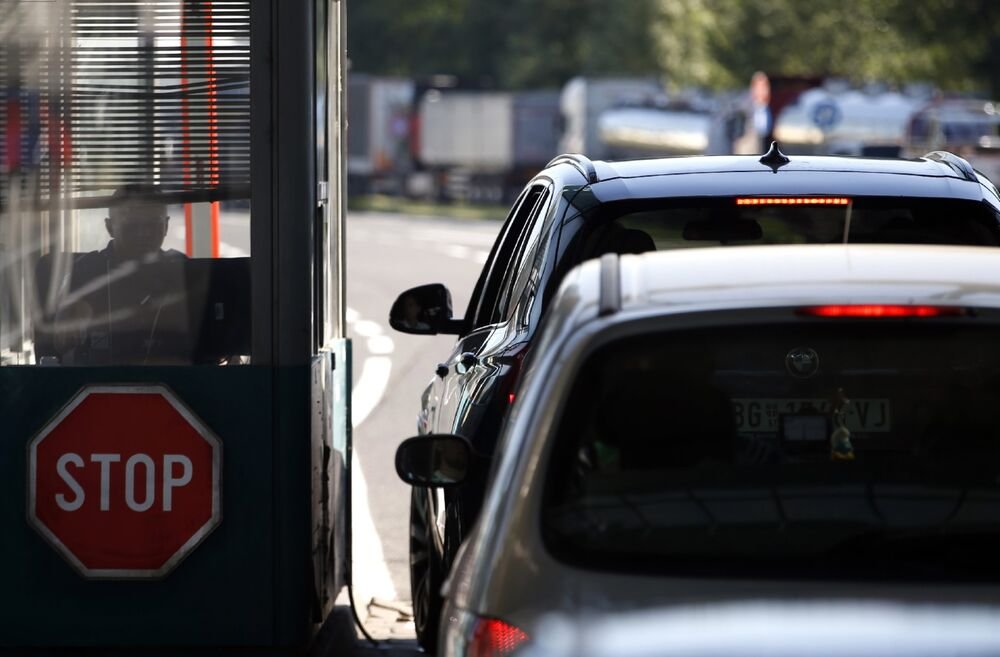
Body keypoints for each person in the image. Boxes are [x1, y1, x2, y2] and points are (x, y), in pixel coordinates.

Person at [42, 184, 190, 365]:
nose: (143, 233)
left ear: (166, 226)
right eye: (131, 225)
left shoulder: (182, 269)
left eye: (153, 224)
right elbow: (59, 342)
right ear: (109, 226)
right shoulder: (84, 272)